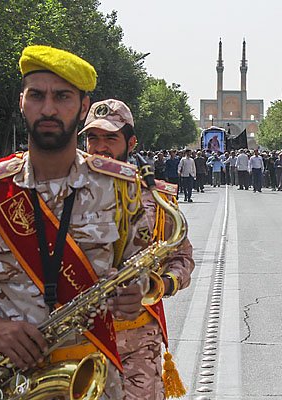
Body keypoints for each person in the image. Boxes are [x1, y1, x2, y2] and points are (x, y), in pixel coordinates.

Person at [0, 45, 151, 399]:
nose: (49, 108)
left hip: (97, 381)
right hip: (14, 382)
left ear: (82, 107)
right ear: (21, 102)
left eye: (62, 96)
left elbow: (139, 266)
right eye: (37, 95)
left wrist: (135, 291)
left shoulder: (119, 186)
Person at [81, 98, 195, 399]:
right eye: (93, 138)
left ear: (130, 143)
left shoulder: (158, 198)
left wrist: (159, 285)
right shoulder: (62, 195)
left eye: (110, 138)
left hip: (138, 343)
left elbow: (182, 259)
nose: (100, 147)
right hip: (78, 340)